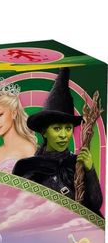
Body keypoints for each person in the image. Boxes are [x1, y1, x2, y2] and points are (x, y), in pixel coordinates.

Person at [13, 68, 103, 216]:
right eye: (56, 128)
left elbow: (95, 204)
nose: (63, 135)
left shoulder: (77, 163)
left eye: (68, 128)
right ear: (44, 132)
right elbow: (19, 208)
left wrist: (89, 169)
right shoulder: (26, 167)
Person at [0, 78, 37, 172]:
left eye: (0, 115)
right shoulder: (0, 150)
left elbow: (37, 179)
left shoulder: (28, 148)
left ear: (13, 113)